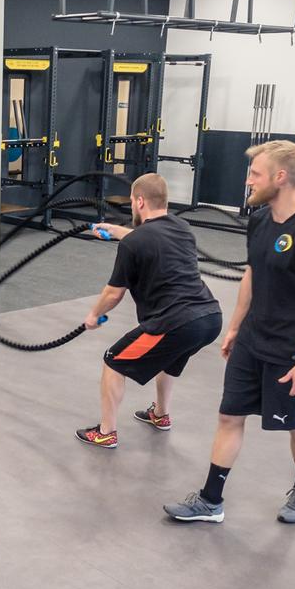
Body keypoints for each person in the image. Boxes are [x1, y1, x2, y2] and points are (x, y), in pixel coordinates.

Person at [164, 141, 295, 524]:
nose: (248, 181)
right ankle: (211, 500)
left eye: (256, 174)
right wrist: (234, 328)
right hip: (252, 340)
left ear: (281, 177)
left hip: (291, 351)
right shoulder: (260, 221)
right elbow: (252, 274)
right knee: (229, 416)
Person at [75, 173, 222, 449]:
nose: (132, 205)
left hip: (175, 322)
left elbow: (113, 293)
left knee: (113, 361)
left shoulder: (133, 244)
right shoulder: (182, 228)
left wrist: (93, 315)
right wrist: (116, 230)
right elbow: (151, 238)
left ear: (140, 201)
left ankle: (106, 432)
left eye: (132, 201)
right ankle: (160, 414)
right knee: (170, 359)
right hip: (210, 318)